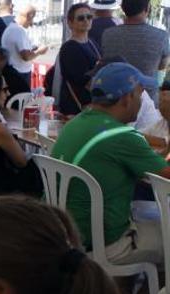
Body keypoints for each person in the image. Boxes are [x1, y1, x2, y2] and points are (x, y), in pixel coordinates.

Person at [52, 62, 170, 266]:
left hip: (62, 230)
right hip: (100, 240)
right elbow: (165, 175)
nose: (143, 101)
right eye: (140, 94)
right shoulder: (122, 136)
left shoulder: (76, 123)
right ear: (127, 98)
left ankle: (124, 292)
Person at [101, 0, 170, 103]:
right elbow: (163, 66)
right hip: (147, 99)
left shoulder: (108, 34)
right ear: (147, 9)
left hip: (116, 99)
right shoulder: (161, 36)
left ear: (123, 9)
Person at [55, 3, 100, 116]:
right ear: (70, 23)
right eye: (81, 18)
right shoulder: (69, 48)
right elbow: (82, 81)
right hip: (76, 109)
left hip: (92, 105)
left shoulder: (92, 42)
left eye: (89, 17)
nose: (86, 20)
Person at [1, 5, 48, 85]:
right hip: (20, 74)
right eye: (32, 19)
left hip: (13, 72)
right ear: (27, 16)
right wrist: (40, 51)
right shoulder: (18, 30)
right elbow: (26, 56)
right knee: (23, 96)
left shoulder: (11, 28)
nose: (32, 23)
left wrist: (33, 49)